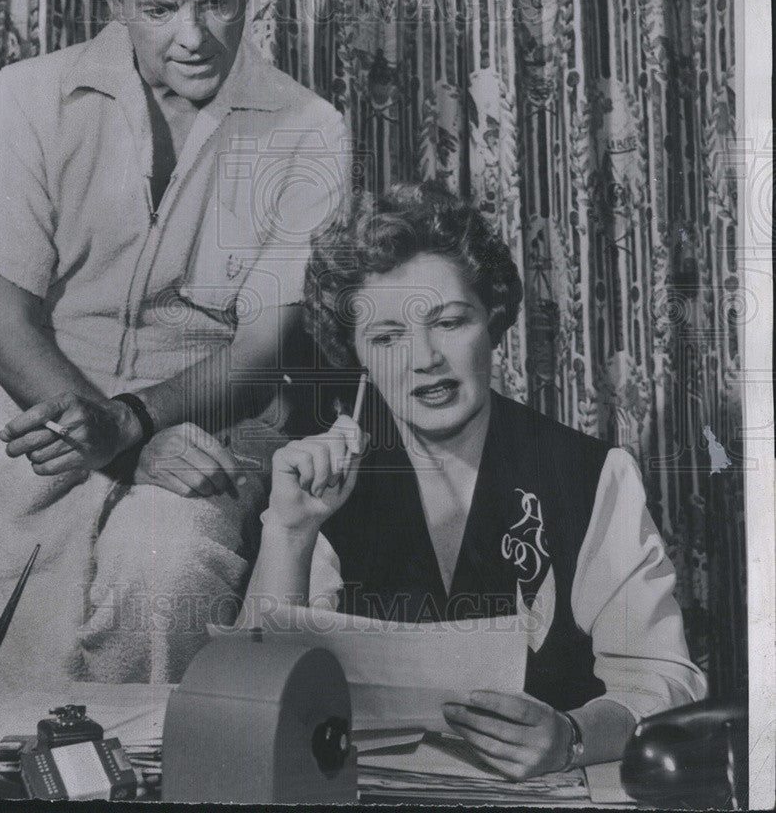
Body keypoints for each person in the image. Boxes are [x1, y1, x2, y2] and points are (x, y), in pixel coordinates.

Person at [0, 0, 348, 690]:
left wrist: (139, 423)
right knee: (34, 719)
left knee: (169, 575)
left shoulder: (308, 129)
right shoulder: (25, 102)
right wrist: (118, 438)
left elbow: (262, 348)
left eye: (218, 2)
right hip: (41, 443)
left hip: (209, 439)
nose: (192, 36)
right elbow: (3, 325)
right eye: (159, 10)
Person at [242, 181, 707, 780]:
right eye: (386, 338)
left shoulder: (591, 474)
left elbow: (664, 677)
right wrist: (289, 533)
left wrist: (572, 737)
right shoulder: (323, 483)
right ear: (353, 353)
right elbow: (250, 700)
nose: (424, 358)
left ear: (492, 317)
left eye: (449, 322)